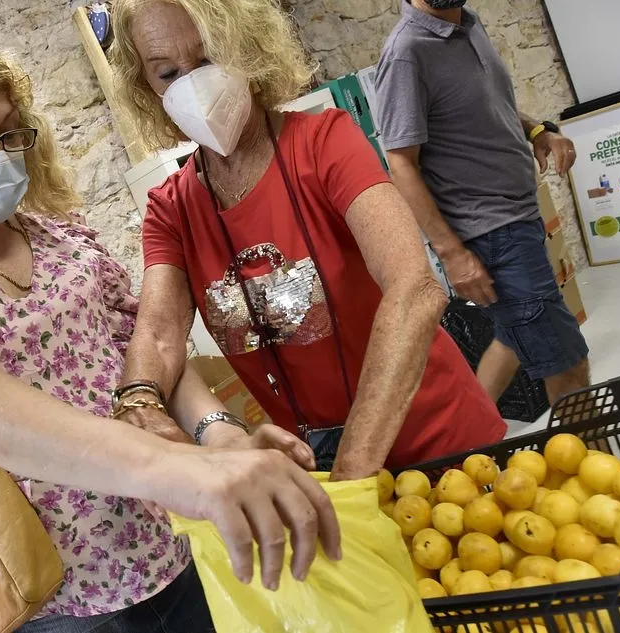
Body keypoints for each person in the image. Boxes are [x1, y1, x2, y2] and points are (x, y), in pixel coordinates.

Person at [0, 33, 340, 632]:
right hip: (49, 587)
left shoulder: (58, 236)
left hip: (165, 534)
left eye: (6, 133)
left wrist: (217, 435)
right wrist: (172, 470)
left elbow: (142, 350)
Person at [109, 0, 506, 476]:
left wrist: (352, 467)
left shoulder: (324, 143)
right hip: (317, 468)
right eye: (168, 72)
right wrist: (139, 400)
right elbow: (158, 332)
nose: (193, 85)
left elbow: (413, 289)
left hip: (439, 442)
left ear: (248, 48)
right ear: (145, 90)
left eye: (210, 58)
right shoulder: (171, 209)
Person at [375, 0, 590, 405]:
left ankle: (469, 447)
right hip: (493, 232)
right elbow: (401, 164)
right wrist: (452, 253)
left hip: (518, 217)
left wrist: (538, 130)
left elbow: (490, 105)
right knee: (567, 365)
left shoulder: (468, 24)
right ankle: (591, 463)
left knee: (512, 339)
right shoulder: (407, 52)